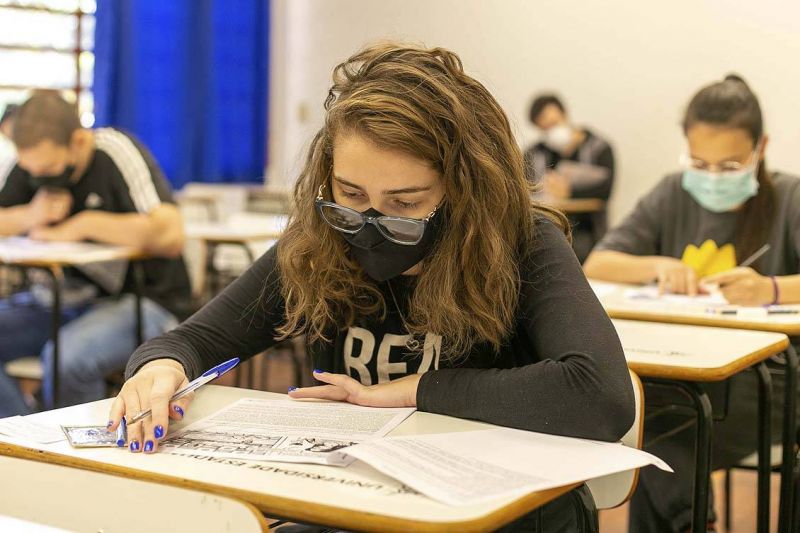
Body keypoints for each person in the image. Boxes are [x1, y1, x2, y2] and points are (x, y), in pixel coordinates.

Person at [111, 43, 634, 532]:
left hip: (504, 514)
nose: (370, 223)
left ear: (465, 190)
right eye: (350, 194)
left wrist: (407, 392)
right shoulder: (319, 244)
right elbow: (192, 341)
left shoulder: (521, 241)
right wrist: (160, 369)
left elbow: (600, 396)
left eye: (405, 204)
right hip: (362, 504)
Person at [584, 75, 800, 532]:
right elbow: (598, 262)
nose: (712, 178)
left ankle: (689, 521)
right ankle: (689, 520)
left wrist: (772, 289)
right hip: (679, 374)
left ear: (761, 148)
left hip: (764, 387)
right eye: (700, 163)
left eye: (729, 166)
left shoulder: (789, 199)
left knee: (661, 438)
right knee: (645, 423)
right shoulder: (673, 192)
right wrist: (658, 266)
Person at [0, 92, 192, 416]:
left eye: (50, 168)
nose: (40, 177)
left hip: (143, 300)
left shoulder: (114, 151)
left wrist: (84, 224)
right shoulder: (31, 164)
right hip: (60, 300)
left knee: (67, 359)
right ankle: (25, 432)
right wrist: (30, 215)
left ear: (77, 141)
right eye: (32, 170)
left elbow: (171, 234)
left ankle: (74, 452)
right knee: (58, 353)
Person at [523, 94, 615, 262]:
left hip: (587, 229)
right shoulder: (534, 154)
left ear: (564, 114)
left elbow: (605, 191)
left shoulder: (599, 148)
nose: (551, 131)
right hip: (546, 227)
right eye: (545, 129)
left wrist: (569, 192)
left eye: (553, 124)